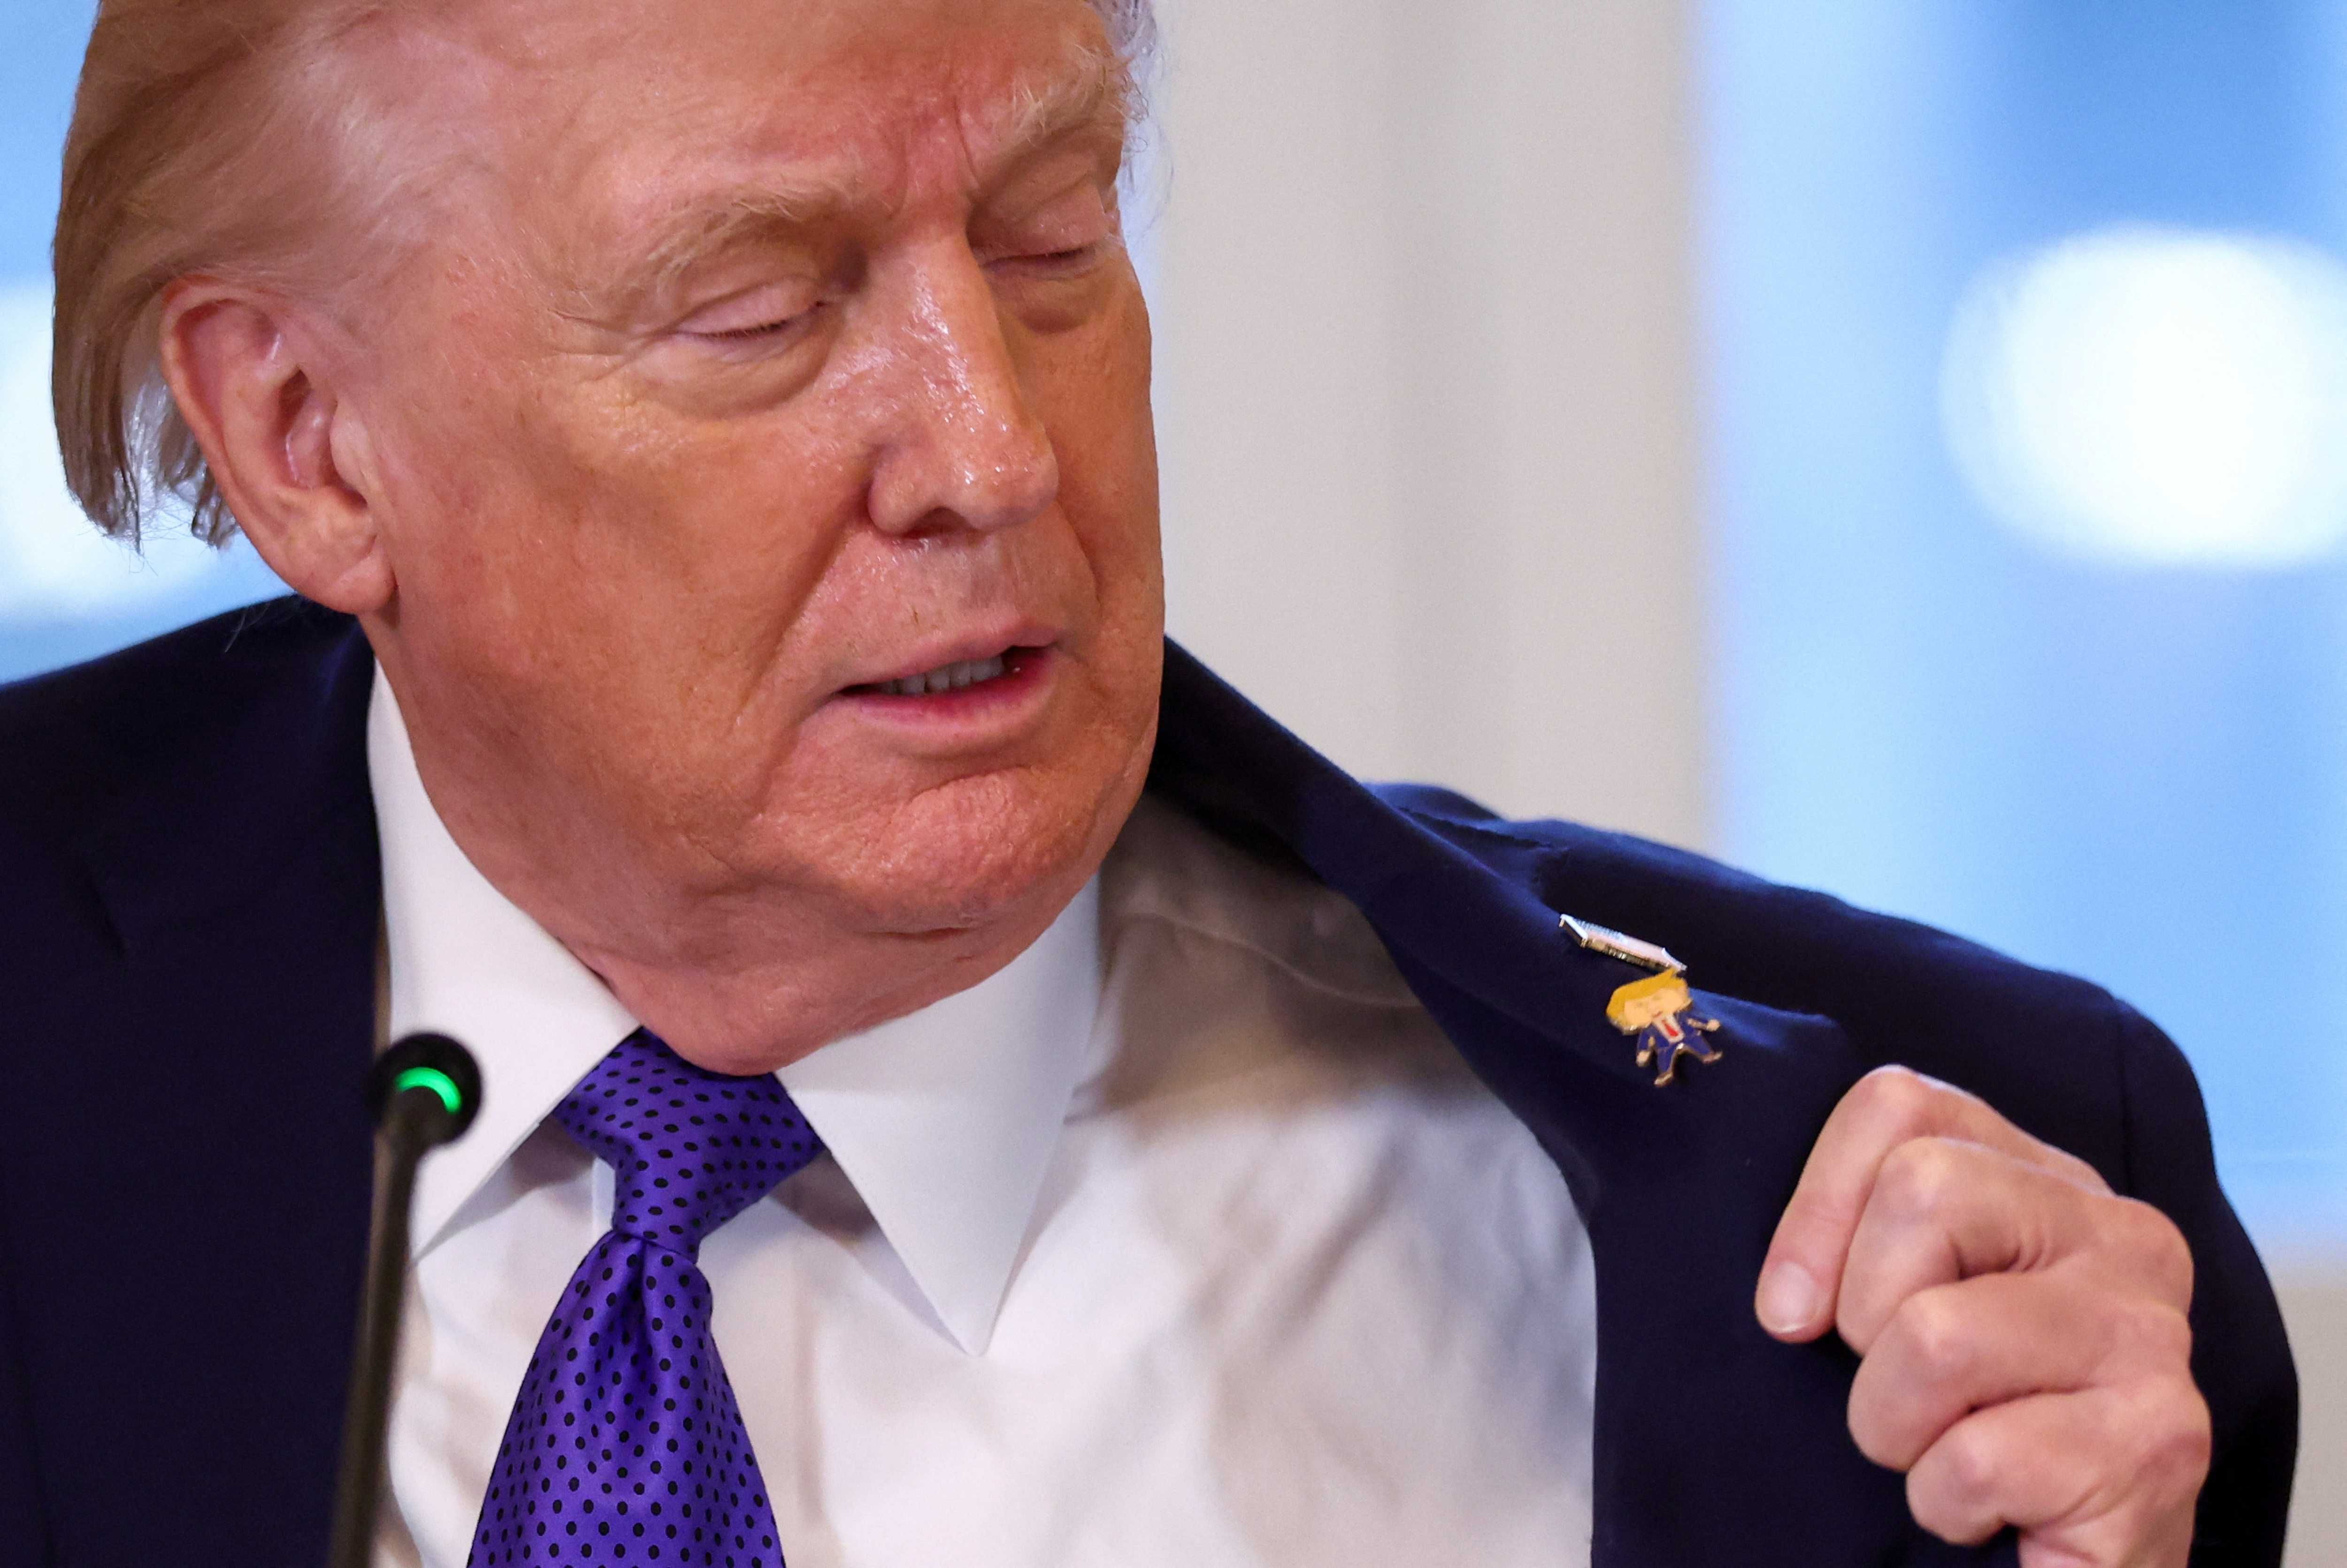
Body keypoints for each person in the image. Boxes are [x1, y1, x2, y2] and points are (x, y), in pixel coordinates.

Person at [0, 0, 2293, 1564]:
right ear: (308, 442)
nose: (994, 447)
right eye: (761, 312)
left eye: (1050, 240)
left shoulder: (1919, 1229)